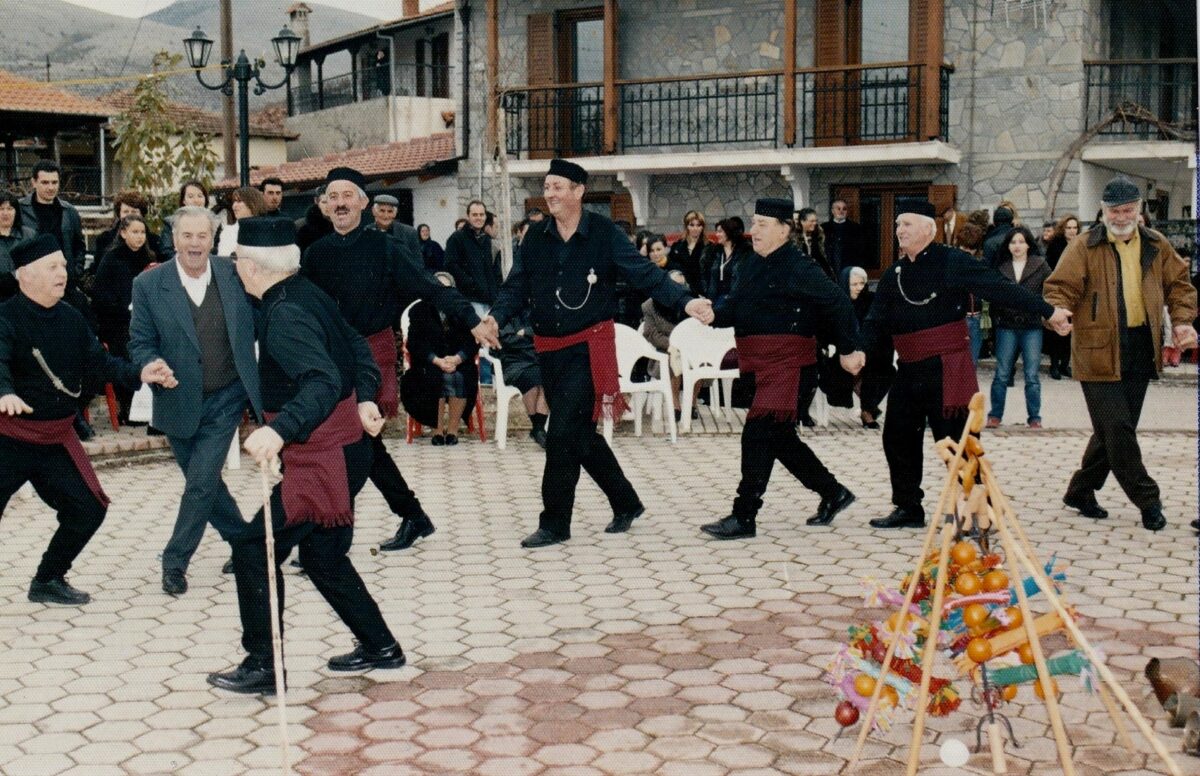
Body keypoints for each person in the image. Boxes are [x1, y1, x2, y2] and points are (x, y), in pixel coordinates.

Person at [208, 217, 406, 695]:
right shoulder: (305, 292)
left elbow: (320, 381)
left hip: (323, 457)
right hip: (345, 449)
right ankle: (381, 647)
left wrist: (279, 431)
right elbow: (355, 346)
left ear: (252, 267)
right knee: (323, 553)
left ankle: (263, 666)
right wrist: (363, 395)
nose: (234, 268)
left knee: (254, 548)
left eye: (237, 261)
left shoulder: (286, 314)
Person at [490, 158, 712, 549]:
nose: (550, 193)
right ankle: (626, 501)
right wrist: (495, 317)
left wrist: (685, 301)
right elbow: (515, 286)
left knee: (560, 433)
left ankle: (555, 522)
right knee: (580, 434)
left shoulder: (602, 232)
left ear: (578, 191)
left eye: (558, 186)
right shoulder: (536, 237)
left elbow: (644, 273)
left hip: (588, 349)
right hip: (549, 350)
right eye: (547, 186)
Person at [301, 167, 497, 553]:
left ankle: (325, 538)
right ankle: (412, 516)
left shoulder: (386, 249)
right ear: (325, 205)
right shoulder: (315, 254)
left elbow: (430, 287)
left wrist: (472, 321)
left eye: (348, 195)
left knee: (352, 443)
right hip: (331, 361)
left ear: (363, 203)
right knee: (363, 445)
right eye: (333, 196)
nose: (340, 203)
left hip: (371, 358)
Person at [861, 200, 1072, 529]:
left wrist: (1049, 312)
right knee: (897, 436)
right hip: (909, 368)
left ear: (929, 229)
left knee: (958, 440)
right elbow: (875, 320)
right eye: (898, 224)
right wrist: (858, 349)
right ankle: (908, 507)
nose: (899, 230)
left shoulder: (953, 261)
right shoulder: (895, 273)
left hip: (947, 367)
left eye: (906, 224)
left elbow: (1001, 289)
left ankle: (980, 511)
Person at [0, 235, 176, 605]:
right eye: (52, 267)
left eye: (64, 266)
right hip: (8, 437)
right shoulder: (5, 316)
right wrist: (4, 392)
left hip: (54, 437)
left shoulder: (72, 317)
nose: (63, 273)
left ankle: (47, 579)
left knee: (89, 508)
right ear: (25, 276)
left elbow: (100, 364)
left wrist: (140, 374)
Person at [701, 198, 863, 540]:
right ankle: (833, 493)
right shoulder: (749, 264)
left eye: (762, 224)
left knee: (757, 434)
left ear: (784, 230)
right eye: (753, 222)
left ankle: (744, 516)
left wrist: (849, 348)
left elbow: (837, 302)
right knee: (780, 440)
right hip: (760, 364)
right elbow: (735, 305)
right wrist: (714, 314)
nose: (753, 230)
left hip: (791, 367)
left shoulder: (800, 266)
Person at [1044, 175, 1197, 532]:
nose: (1121, 216)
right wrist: (1059, 312)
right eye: (1114, 210)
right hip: (1097, 348)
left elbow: (1180, 285)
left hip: (1142, 347)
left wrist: (1183, 320)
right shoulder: (1085, 245)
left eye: (1128, 209)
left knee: (1112, 431)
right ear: (1103, 211)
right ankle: (1148, 499)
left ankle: (1080, 491)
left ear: (1139, 210)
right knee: (1117, 427)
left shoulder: (1156, 244)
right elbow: (1060, 287)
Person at [129, 206, 263, 596]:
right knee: (205, 485)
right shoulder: (149, 285)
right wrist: (151, 363)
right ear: (174, 239)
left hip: (226, 396)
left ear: (213, 239)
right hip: (176, 400)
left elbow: (263, 314)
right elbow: (140, 342)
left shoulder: (233, 273)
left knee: (201, 482)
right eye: (186, 236)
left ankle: (175, 562)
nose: (194, 244)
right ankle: (246, 544)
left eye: (202, 236)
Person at [90, 214, 156, 424]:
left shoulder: (149, 258)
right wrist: (124, 309)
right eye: (134, 232)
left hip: (145, 321)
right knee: (127, 348)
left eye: (142, 232)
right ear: (123, 233)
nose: (139, 237)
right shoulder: (111, 259)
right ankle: (128, 406)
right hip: (117, 322)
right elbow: (100, 297)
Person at [401, 272, 479, 446]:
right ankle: (436, 430)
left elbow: (473, 341)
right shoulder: (419, 310)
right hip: (429, 363)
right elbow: (414, 343)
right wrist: (436, 360)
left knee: (460, 377)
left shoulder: (464, 310)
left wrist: (458, 359)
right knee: (434, 378)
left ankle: (452, 431)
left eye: (447, 289)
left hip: (458, 362)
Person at [986, 226, 1051, 429]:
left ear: (1029, 244)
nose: (1017, 246)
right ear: (1008, 245)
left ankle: (1034, 417)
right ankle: (995, 415)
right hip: (1007, 326)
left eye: (1021, 241)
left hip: (1032, 327)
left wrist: (1043, 311)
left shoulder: (1040, 265)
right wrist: (998, 315)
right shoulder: (1001, 266)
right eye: (1013, 242)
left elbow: (1050, 289)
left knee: (1032, 375)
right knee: (1002, 373)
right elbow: (994, 294)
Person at [823, 266, 894, 429]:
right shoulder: (835, 302)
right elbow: (828, 332)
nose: (859, 288)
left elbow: (878, 328)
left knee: (882, 369)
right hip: (841, 357)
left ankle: (867, 408)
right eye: (854, 284)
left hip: (868, 354)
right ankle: (868, 410)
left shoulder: (871, 301)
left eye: (862, 283)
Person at [639, 269, 693, 421]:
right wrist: (673, 345)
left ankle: (692, 404)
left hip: (690, 347)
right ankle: (675, 404)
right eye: (675, 286)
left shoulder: (692, 303)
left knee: (700, 359)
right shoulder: (649, 305)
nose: (680, 290)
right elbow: (650, 333)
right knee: (673, 357)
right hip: (664, 350)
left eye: (683, 286)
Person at [19, 160, 85, 284]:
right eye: (45, 182)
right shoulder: (19, 209)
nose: (51, 187)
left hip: (63, 283)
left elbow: (79, 246)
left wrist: (75, 272)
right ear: (34, 182)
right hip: (31, 283)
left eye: (54, 182)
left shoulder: (69, 211)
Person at [495, 309, 549, 447]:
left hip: (537, 360)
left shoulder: (538, 311)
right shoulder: (502, 313)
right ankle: (539, 429)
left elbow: (547, 332)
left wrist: (525, 333)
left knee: (549, 379)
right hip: (513, 363)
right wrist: (533, 337)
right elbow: (507, 341)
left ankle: (538, 429)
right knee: (530, 382)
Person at [444, 200, 499, 319]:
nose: (479, 218)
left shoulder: (486, 240)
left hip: (488, 299)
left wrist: (494, 294)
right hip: (470, 299)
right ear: (468, 216)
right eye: (475, 215)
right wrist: (470, 283)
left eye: (481, 214)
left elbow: (489, 270)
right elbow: (450, 264)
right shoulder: (457, 238)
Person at [1043, 214, 1081, 379]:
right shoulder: (1055, 246)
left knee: (1071, 331)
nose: (1072, 231)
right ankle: (1054, 365)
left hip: (1075, 293)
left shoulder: (1080, 246)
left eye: (1074, 228)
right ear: (1063, 229)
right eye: (1069, 228)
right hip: (1059, 292)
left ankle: (1065, 364)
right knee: (1057, 330)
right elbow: (1050, 269)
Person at [93, 190, 161, 264]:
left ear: (141, 214)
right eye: (126, 212)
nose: (129, 215)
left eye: (134, 212)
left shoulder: (154, 242)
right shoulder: (104, 239)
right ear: (119, 214)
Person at [954, 222, 987, 365]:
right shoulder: (952, 263)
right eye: (964, 246)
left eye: (971, 248)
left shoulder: (982, 264)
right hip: (958, 319)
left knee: (972, 362)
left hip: (978, 318)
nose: (967, 251)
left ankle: (968, 388)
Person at [701, 216, 751, 306]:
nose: (717, 234)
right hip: (714, 298)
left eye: (720, 231)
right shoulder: (714, 252)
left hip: (734, 299)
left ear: (729, 232)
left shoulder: (744, 252)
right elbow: (705, 274)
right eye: (716, 231)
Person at [158, 179, 211, 262]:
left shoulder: (213, 223)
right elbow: (166, 252)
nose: (196, 200)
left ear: (205, 200)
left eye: (200, 196)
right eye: (190, 196)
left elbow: (217, 251)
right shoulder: (171, 223)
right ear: (183, 201)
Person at [0, 191, 36, 295]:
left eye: (10, 208)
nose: (5, 213)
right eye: (1, 209)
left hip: (25, 296)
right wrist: (13, 276)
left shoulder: (29, 235)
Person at [370, 194, 421, 265]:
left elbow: (418, 264)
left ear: (395, 213)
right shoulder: (364, 232)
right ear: (374, 211)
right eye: (382, 211)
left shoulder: (409, 233)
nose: (386, 216)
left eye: (390, 211)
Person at [216, 187, 268, 256]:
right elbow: (223, 260)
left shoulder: (267, 230)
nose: (234, 206)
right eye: (234, 201)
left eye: (239, 201)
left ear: (253, 204)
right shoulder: (228, 231)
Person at [822, 198, 864, 279]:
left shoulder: (855, 228)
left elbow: (861, 250)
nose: (841, 211)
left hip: (849, 269)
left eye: (844, 209)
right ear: (832, 211)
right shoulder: (824, 228)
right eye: (838, 208)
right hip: (828, 269)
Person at [668, 210, 707, 294]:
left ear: (702, 227)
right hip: (678, 289)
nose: (695, 228)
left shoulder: (709, 247)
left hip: (700, 291)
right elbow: (670, 265)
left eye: (698, 225)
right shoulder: (677, 246)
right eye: (692, 225)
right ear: (686, 226)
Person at [794, 207, 833, 279]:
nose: (814, 223)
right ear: (802, 221)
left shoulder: (819, 233)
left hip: (818, 272)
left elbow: (823, 255)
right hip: (800, 274)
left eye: (816, 221)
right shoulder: (793, 236)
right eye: (811, 221)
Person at [296, 188, 333, 254]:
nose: (328, 206)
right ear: (316, 201)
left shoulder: (346, 227)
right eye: (324, 202)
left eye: (331, 201)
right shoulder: (304, 230)